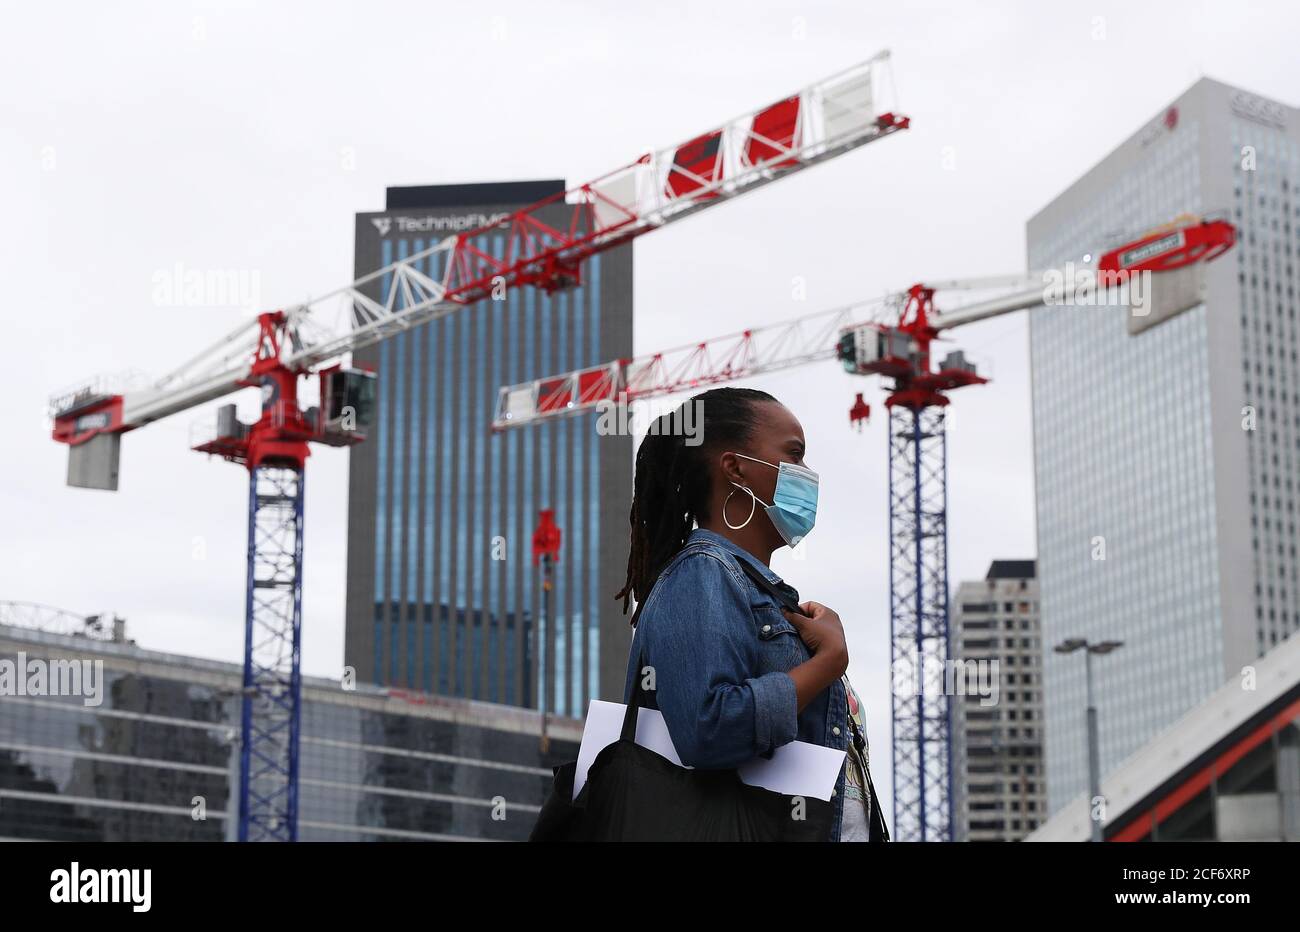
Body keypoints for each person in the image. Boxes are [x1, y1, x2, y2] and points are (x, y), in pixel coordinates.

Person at [617, 386, 887, 842]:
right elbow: (709, 729)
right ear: (736, 469)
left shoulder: (759, 593)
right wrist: (826, 664)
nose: (807, 474)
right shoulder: (702, 573)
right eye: (794, 455)